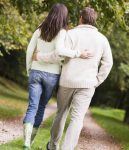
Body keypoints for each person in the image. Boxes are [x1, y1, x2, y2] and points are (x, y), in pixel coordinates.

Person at [35, 7, 113, 150]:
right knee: (77, 119)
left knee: (61, 113)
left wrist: (39, 56)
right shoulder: (102, 39)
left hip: (67, 81)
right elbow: (108, 63)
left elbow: (58, 55)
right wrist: (97, 80)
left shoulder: (70, 34)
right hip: (88, 84)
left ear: (81, 18)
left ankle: (52, 146)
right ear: (94, 21)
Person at [23, 3, 91, 150]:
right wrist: (79, 53)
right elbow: (60, 51)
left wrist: (29, 68)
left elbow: (30, 50)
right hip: (52, 75)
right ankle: (31, 140)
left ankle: (27, 142)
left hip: (35, 71)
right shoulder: (62, 32)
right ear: (64, 16)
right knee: (41, 106)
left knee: (32, 106)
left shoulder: (40, 29)